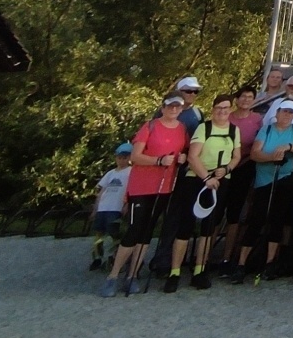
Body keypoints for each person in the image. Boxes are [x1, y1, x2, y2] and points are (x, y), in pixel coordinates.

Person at [103, 96, 189, 296]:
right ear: (163, 107)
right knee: (134, 230)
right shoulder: (150, 126)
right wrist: (158, 161)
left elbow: (182, 151)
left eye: (177, 106)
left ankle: (132, 275)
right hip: (141, 187)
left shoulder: (182, 129)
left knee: (147, 232)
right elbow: (135, 156)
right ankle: (113, 276)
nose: (174, 109)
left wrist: (182, 158)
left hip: (164, 187)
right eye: (170, 106)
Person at [165, 94, 241, 292]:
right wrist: (207, 178)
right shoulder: (203, 128)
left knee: (208, 227)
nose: (222, 111)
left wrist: (227, 169)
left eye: (226, 108)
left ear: (230, 110)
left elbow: (236, 156)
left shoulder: (234, 130)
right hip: (196, 179)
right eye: (219, 108)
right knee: (186, 225)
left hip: (220, 180)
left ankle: (200, 270)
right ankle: (174, 272)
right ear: (213, 109)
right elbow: (193, 156)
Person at [229, 99, 293, 283]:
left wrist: (288, 147)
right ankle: (241, 264)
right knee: (256, 220)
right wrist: (272, 157)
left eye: (291, 113)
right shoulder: (267, 129)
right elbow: (255, 153)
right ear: (277, 113)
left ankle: (270, 263)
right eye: (284, 111)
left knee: (277, 220)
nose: (287, 115)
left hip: (285, 179)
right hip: (264, 180)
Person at [219, 86, 265, 265]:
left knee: (235, 212)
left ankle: (227, 257)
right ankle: (204, 257)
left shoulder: (257, 120)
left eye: (250, 97)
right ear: (236, 100)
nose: (246, 100)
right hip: (222, 167)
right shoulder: (227, 118)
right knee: (216, 212)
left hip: (244, 167)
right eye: (243, 96)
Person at [89, 143, 131, 271]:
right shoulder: (110, 173)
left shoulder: (130, 171)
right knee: (99, 233)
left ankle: (115, 257)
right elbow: (102, 190)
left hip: (116, 207)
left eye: (124, 158)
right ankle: (97, 257)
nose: (121, 160)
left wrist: (127, 204)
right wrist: (96, 208)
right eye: (119, 157)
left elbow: (131, 190)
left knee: (115, 234)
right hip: (103, 207)